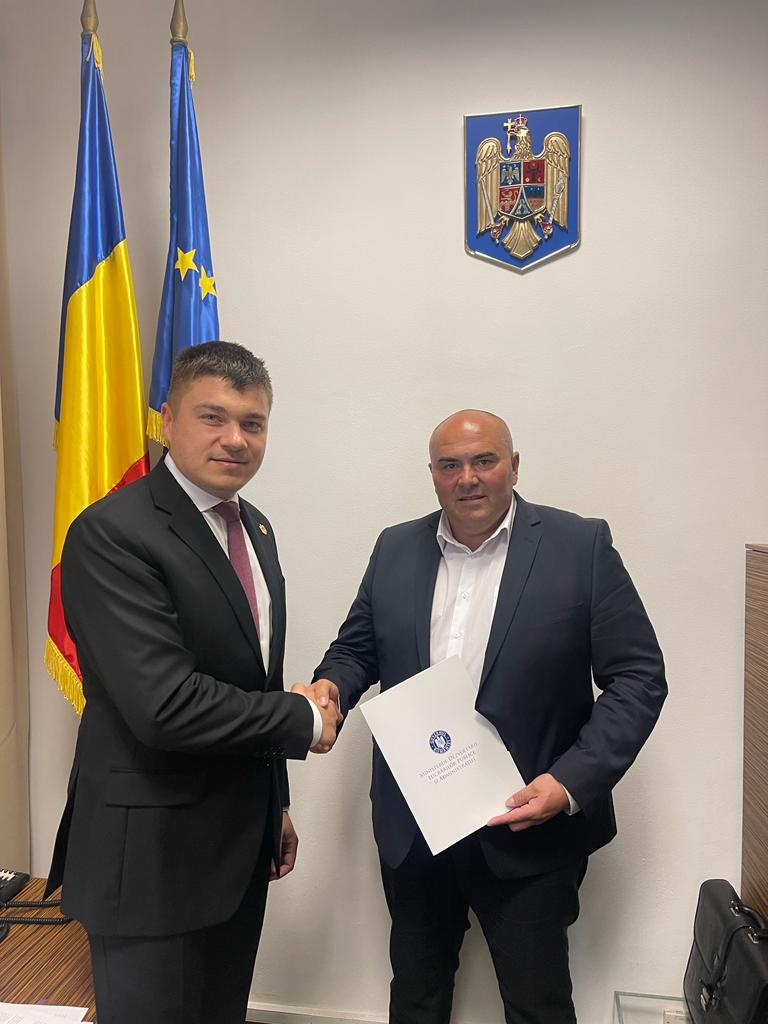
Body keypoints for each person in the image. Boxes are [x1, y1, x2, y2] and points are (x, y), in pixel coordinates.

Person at [302, 409, 667, 1024]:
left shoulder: (581, 546)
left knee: (537, 1005)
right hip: (416, 828)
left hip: (530, 826)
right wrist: (330, 687)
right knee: (415, 998)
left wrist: (569, 783)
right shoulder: (394, 548)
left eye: (484, 461)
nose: (467, 478)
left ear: (514, 466)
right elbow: (357, 649)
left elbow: (638, 677)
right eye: (450, 465)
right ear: (432, 473)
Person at [45, 341, 341, 1024]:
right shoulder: (113, 533)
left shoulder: (254, 527)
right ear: (168, 420)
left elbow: (252, 675)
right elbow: (165, 705)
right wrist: (302, 720)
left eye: (253, 422)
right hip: (150, 861)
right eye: (214, 417)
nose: (235, 439)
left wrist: (275, 802)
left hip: (238, 847)